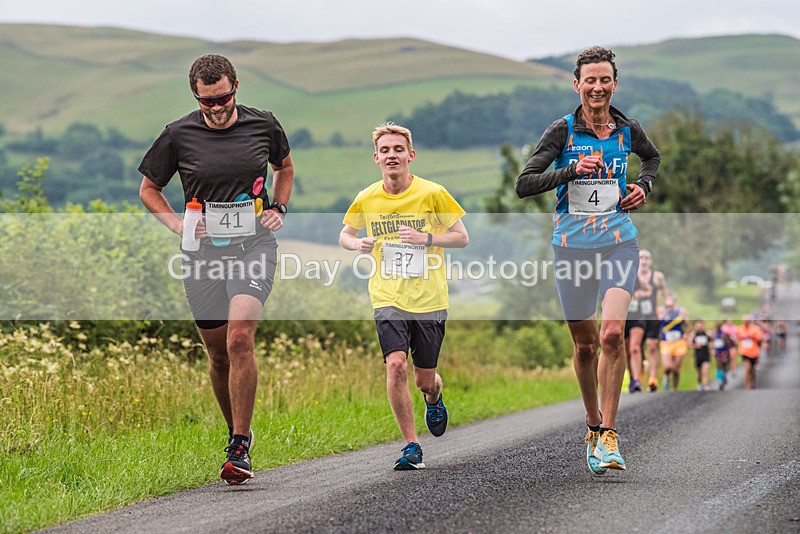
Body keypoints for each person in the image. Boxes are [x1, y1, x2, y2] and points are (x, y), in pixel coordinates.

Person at [138, 54, 294, 485]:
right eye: (206, 102)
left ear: (236, 87)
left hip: (253, 247)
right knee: (218, 354)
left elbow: (285, 167)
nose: (216, 108)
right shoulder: (177, 134)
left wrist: (279, 206)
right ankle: (234, 430)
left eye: (222, 98)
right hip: (202, 255)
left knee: (239, 335)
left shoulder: (264, 124)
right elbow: (149, 189)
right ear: (196, 97)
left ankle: (241, 446)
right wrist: (176, 223)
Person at [515, 46, 660, 475]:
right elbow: (525, 184)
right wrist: (571, 171)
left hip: (619, 242)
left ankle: (610, 436)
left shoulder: (628, 129)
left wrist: (643, 187)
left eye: (605, 80)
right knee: (585, 344)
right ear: (576, 85)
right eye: (590, 81)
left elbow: (652, 159)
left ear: (615, 84)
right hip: (572, 248)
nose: (598, 88)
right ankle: (593, 426)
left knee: (613, 333)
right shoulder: (561, 132)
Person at [339, 123, 469, 470]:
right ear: (376, 157)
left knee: (424, 379)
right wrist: (358, 243)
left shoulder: (433, 193)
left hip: (429, 299)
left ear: (410, 155)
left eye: (398, 149)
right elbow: (345, 234)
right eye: (385, 150)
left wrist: (426, 239)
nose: (391, 155)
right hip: (387, 296)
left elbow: (461, 237)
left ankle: (435, 396)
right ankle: (412, 445)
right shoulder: (368, 197)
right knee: (395, 365)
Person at [625, 249, 668, 393]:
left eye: (646, 258)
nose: (644, 261)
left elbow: (665, 294)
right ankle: (638, 378)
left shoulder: (657, 276)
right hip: (636, 314)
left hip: (652, 315)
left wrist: (663, 309)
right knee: (635, 348)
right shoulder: (632, 275)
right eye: (641, 257)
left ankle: (653, 378)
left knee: (652, 346)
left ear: (651, 261)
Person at [657, 293, 689, 391]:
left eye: (671, 304)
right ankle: (666, 379)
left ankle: (674, 389)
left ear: (674, 302)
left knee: (676, 369)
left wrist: (686, 334)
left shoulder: (681, 311)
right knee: (667, 367)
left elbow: (688, 325)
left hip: (679, 342)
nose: (669, 306)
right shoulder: (661, 311)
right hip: (666, 342)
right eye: (667, 304)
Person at [736, 315, 764, 389]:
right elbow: (737, 338)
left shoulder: (755, 329)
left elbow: (760, 339)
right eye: (744, 321)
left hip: (754, 352)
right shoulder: (740, 329)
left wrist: (752, 337)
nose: (746, 322)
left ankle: (753, 382)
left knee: (752, 369)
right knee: (747, 368)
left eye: (747, 321)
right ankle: (747, 385)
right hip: (744, 352)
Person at [690, 320, 711, 391]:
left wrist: (711, 345)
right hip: (698, 355)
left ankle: (706, 385)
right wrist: (695, 345)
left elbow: (711, 342)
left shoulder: (707, 334)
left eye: (700, 325)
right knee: (699, 372)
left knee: (706, 369)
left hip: (706, 354)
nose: (699, 327)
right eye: (697, 325)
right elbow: (689, 344)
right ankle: (699, 383)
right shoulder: (694, 334)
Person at [712, 322, 733, 390]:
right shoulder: (714, 334)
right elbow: (712, 343)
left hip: (724, 352)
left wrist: (726, 341)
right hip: (717, 353)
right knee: (719, 366)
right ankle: (720, 381)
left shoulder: (724, 334)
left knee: (725, 366)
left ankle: (724, 376)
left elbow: (730, 342)